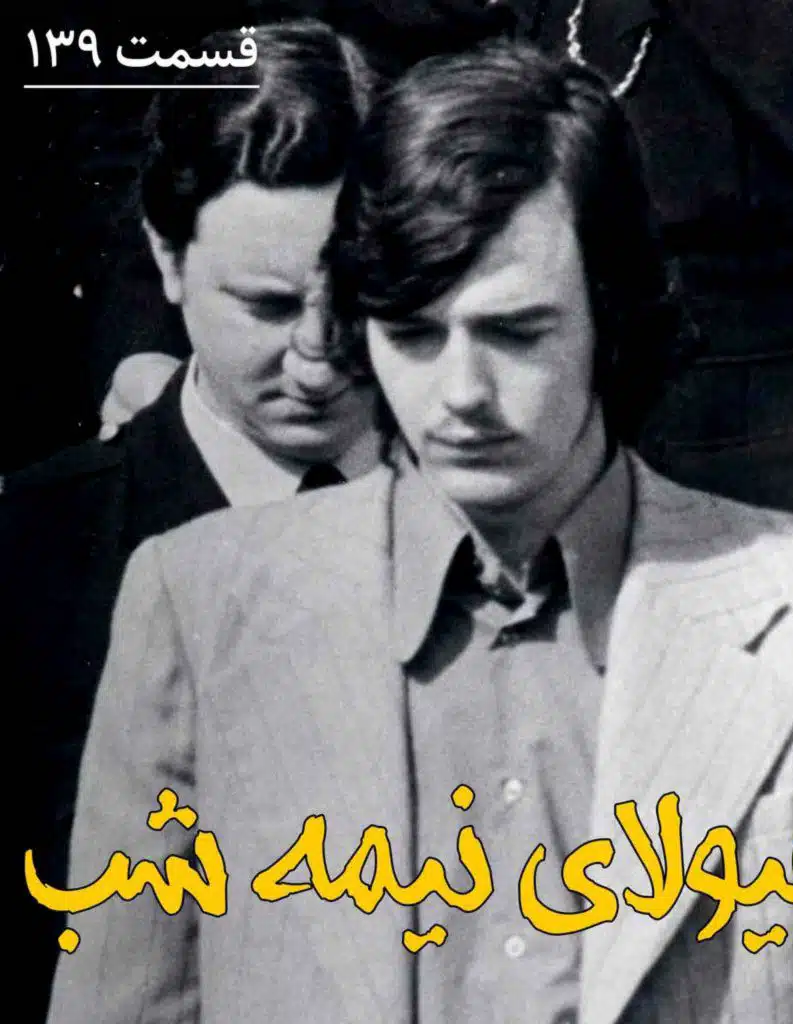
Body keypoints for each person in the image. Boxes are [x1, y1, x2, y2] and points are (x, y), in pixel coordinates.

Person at [47, 41, 793, 1024]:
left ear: (607, 314)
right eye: (414, 334)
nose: (461, 393)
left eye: (515, 332)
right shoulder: (184, 594)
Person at [5, 19, 382, 1022]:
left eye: (357, 298)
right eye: (267, 307)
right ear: (166, 259)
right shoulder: (31, 555)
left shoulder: (500, 520)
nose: (318, 358)